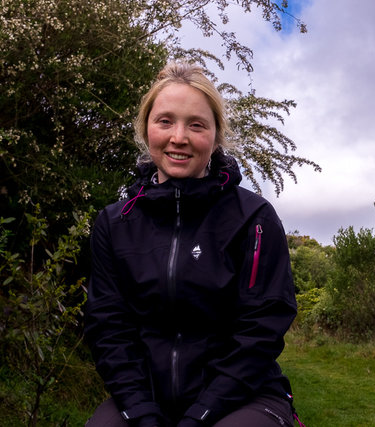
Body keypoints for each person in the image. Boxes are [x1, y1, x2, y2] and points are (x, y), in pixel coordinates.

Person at [84, 62, 301, 427]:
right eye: (165, 121)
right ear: (146, 129)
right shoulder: (114, 223)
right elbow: (109, 329)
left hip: (243, 397)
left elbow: (261, 330)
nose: (179, 137)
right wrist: (140, 412)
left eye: (196, 124)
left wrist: (200, 416)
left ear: (215, 137)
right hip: (146, 398)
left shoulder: (254, 219)